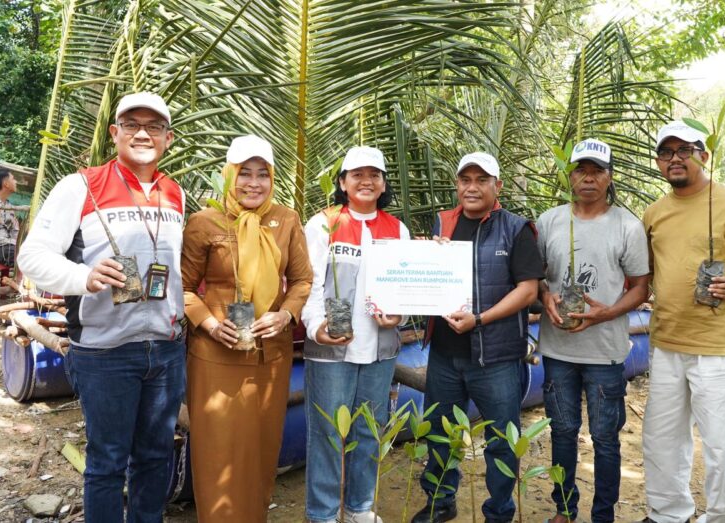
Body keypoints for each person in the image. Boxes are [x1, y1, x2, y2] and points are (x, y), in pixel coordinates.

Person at [18, 92, 185, 523]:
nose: (143, 133)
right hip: (105, 352)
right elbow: (32, 256)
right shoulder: (81, 185)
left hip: (165, 350)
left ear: (168, 138)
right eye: (132, 125)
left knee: (154, 455)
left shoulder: (175, 193)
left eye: (154, 127)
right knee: (108, 462)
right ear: (115, 134)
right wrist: (83, 277)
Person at [639, 121, 725, 523]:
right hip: (666, 343)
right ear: (660, 162)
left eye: (685, 150)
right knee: (662, 438)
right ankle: (668, 513)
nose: (675, 158)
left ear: (705, 155)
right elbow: (647, 271)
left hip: (719, 347)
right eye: (667, 152)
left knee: (722, 444)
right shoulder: (654, 213)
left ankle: (721, 517)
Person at [181, 134, 313, 522]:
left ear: (273, 178)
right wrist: (207, 321)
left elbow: (303, 281)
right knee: (218, 451)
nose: (253, 183)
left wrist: (286, 315)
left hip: (271, 354)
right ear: (229, 175)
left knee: (260, 449)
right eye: (244, 173)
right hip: (214, 355)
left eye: (262, 174)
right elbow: (184, 288)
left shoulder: (286, 220)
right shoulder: (204, 221)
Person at [412, 152, 544, 523]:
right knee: (440, 433)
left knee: (502, 441)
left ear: (496, 187)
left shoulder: (516, 228)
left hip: (497, 358)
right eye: (465, 180)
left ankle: (499, 512)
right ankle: (440, 501)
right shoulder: (442, 224)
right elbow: (420, 278)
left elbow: (528, 290)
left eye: (481, 180)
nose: (472, 187)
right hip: (444, 354)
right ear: (457, 185)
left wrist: (480, 319)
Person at [536, 139, 649, 523]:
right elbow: (536, 279)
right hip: (558, 350)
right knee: (562, 433)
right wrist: (545, 299)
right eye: (581, 169)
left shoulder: (628, 226)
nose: (588, 177)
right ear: (569, 176)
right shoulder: (549, 220)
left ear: (609, 177)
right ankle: (564, 510)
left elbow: (640, 287)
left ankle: (603, 515)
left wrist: (607, 313)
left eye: (597, 170)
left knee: (605, 439)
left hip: (605, 351)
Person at [302, 146, 410, 523]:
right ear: (343, 182)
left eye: (374, 175)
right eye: (357, 175)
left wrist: (399, 315)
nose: (366, 181)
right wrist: (317, 327)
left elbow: (405, 286)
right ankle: (322, 514)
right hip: (330, 351)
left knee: (368, 432)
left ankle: (359, 507)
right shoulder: (322, 224)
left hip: (379, 351)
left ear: (383, 185)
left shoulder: (397, 229)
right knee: (329, 435)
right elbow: (309, 285)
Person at [0, 167, 19, 266]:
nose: (16, 182)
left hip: (9, 246)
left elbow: (15, 231)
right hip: (1, 246)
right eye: (13, 179)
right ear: (6, 184)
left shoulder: (10, 207)